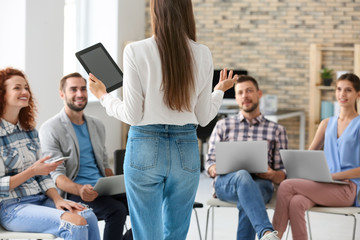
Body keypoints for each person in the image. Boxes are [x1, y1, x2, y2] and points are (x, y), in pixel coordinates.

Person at [88, 0, 238, 239]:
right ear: (187, 11)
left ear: (156, 11)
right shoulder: (202, 53)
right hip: (186, 148)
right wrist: (218, 91)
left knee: (147, 234)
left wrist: (103, 96)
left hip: (144, 146)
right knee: (176, 233)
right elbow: (203, 117)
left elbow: (132, 115)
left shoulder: (135, 50)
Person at [0, 67, 100, 240]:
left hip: (39, 199)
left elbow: (44, 177)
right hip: (11, 207)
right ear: (2, 94)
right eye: (17, 88)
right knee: (75, 224)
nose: (25, 92)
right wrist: (32, 171)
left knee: (88, 216)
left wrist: (57, 200)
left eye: (26, 88)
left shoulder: (29, 131)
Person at [39, 72, 132, 240]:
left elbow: (104, 164)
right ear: (62, 94)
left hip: (101, 188)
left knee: (148, 204)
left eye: (83, 89)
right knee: (116, 210)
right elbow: (57, 176)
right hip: (75, 191)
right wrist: (80, 189)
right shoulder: (50, 128)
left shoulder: (97, 124)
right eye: (73, 89)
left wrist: (116, 184)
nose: (80, 94)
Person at [272, 73, 360, 240]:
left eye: (348, 90)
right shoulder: (327, 123)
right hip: (324, 184)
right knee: (296, 202)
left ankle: (276, 235)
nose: (342, 94)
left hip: (347, 188)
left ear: (358, 94)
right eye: (339, 89)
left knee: (286, 186)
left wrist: (334, 176)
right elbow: (308, 155)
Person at [205, 75, 288, 240]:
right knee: (242, 176)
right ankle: (266, 232)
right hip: (227, 184)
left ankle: (267, 234)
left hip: (262, 184)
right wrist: (215, 168)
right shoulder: (223, 125)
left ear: (259, 94)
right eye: (240, 92)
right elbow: (209, 163)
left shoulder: (276, 130)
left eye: (249, 91)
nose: (245, 96)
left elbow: (283, 174)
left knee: (248, 196)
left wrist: (271, 174)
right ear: (236, 98)